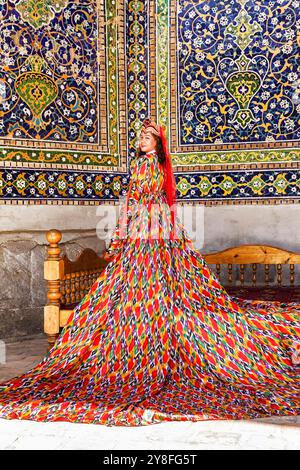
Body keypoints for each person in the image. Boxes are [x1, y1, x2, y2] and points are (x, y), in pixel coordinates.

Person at [0, 118, 299, 427]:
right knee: (157, 277)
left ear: (157, 143)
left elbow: (130, 204)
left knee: (135, 278)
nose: (142, 140)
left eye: (147, 137)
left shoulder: (145, 165)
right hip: (160, 228)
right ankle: (155, 314)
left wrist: (118, 240)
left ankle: (141, 320)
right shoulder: (160, 166)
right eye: (141, 136)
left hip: (145, 229)